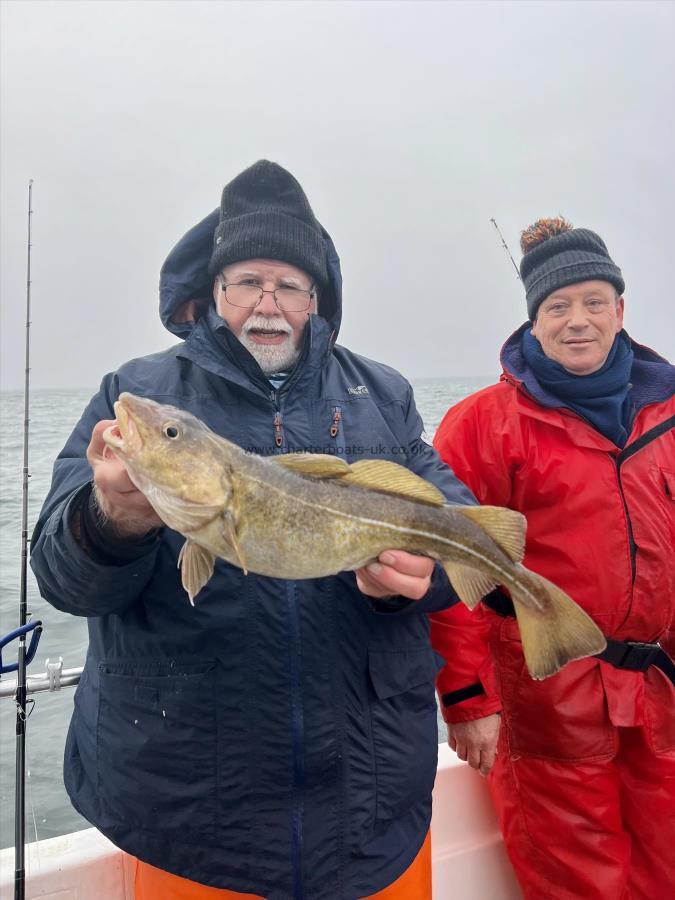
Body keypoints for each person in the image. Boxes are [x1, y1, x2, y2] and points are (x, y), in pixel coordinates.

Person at [30, 160, 476, 900]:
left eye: (289, 285)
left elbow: (454, 533)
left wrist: (414, 584)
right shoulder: (134, 395)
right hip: (189, 817)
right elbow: (60, 578)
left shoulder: (383, 396)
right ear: (213, 294)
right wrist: (110, 521)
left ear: (317, 299)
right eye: (245, 282)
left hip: (369, 808)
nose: (266, 303)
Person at [429, 217, 675, 900]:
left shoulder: (667, 413)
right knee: (579, 885)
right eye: (556, 307)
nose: (577, 321)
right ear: (532, 322)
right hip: (548, 702)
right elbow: (450, 572)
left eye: (593, 302)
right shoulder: (480, 425)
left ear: (619, 311)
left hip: (658, 696)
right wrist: (466, 695)